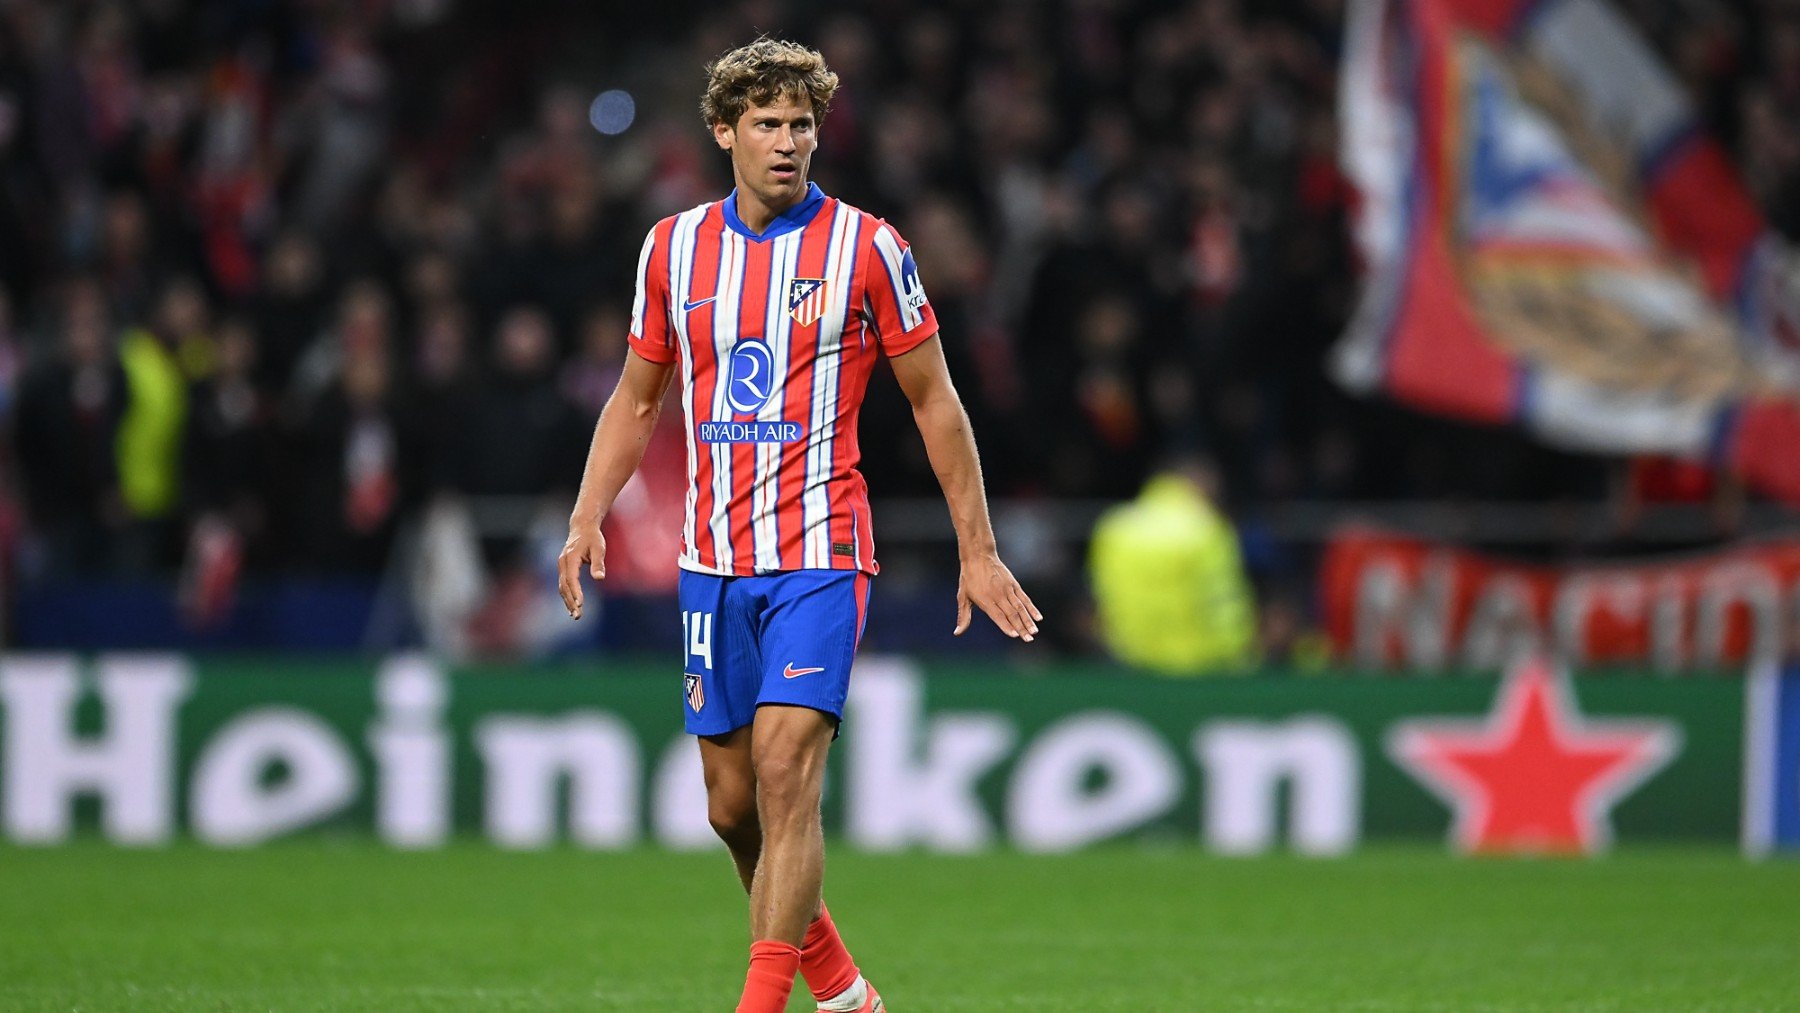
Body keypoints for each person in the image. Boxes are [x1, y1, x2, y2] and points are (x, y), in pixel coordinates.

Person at [556, 37, 1040, 1013]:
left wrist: (976, 548)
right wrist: (584, 516)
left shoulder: (870, 248)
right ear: (724, 130)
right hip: (713, 559)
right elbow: (638, 397)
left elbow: (936, 400)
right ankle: (845, 989)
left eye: (802, 125)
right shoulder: (673, 247)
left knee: (786, 769)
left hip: (822, 548)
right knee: (733, 805)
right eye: (768, 124)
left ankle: (760, 1004)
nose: (787, 142)